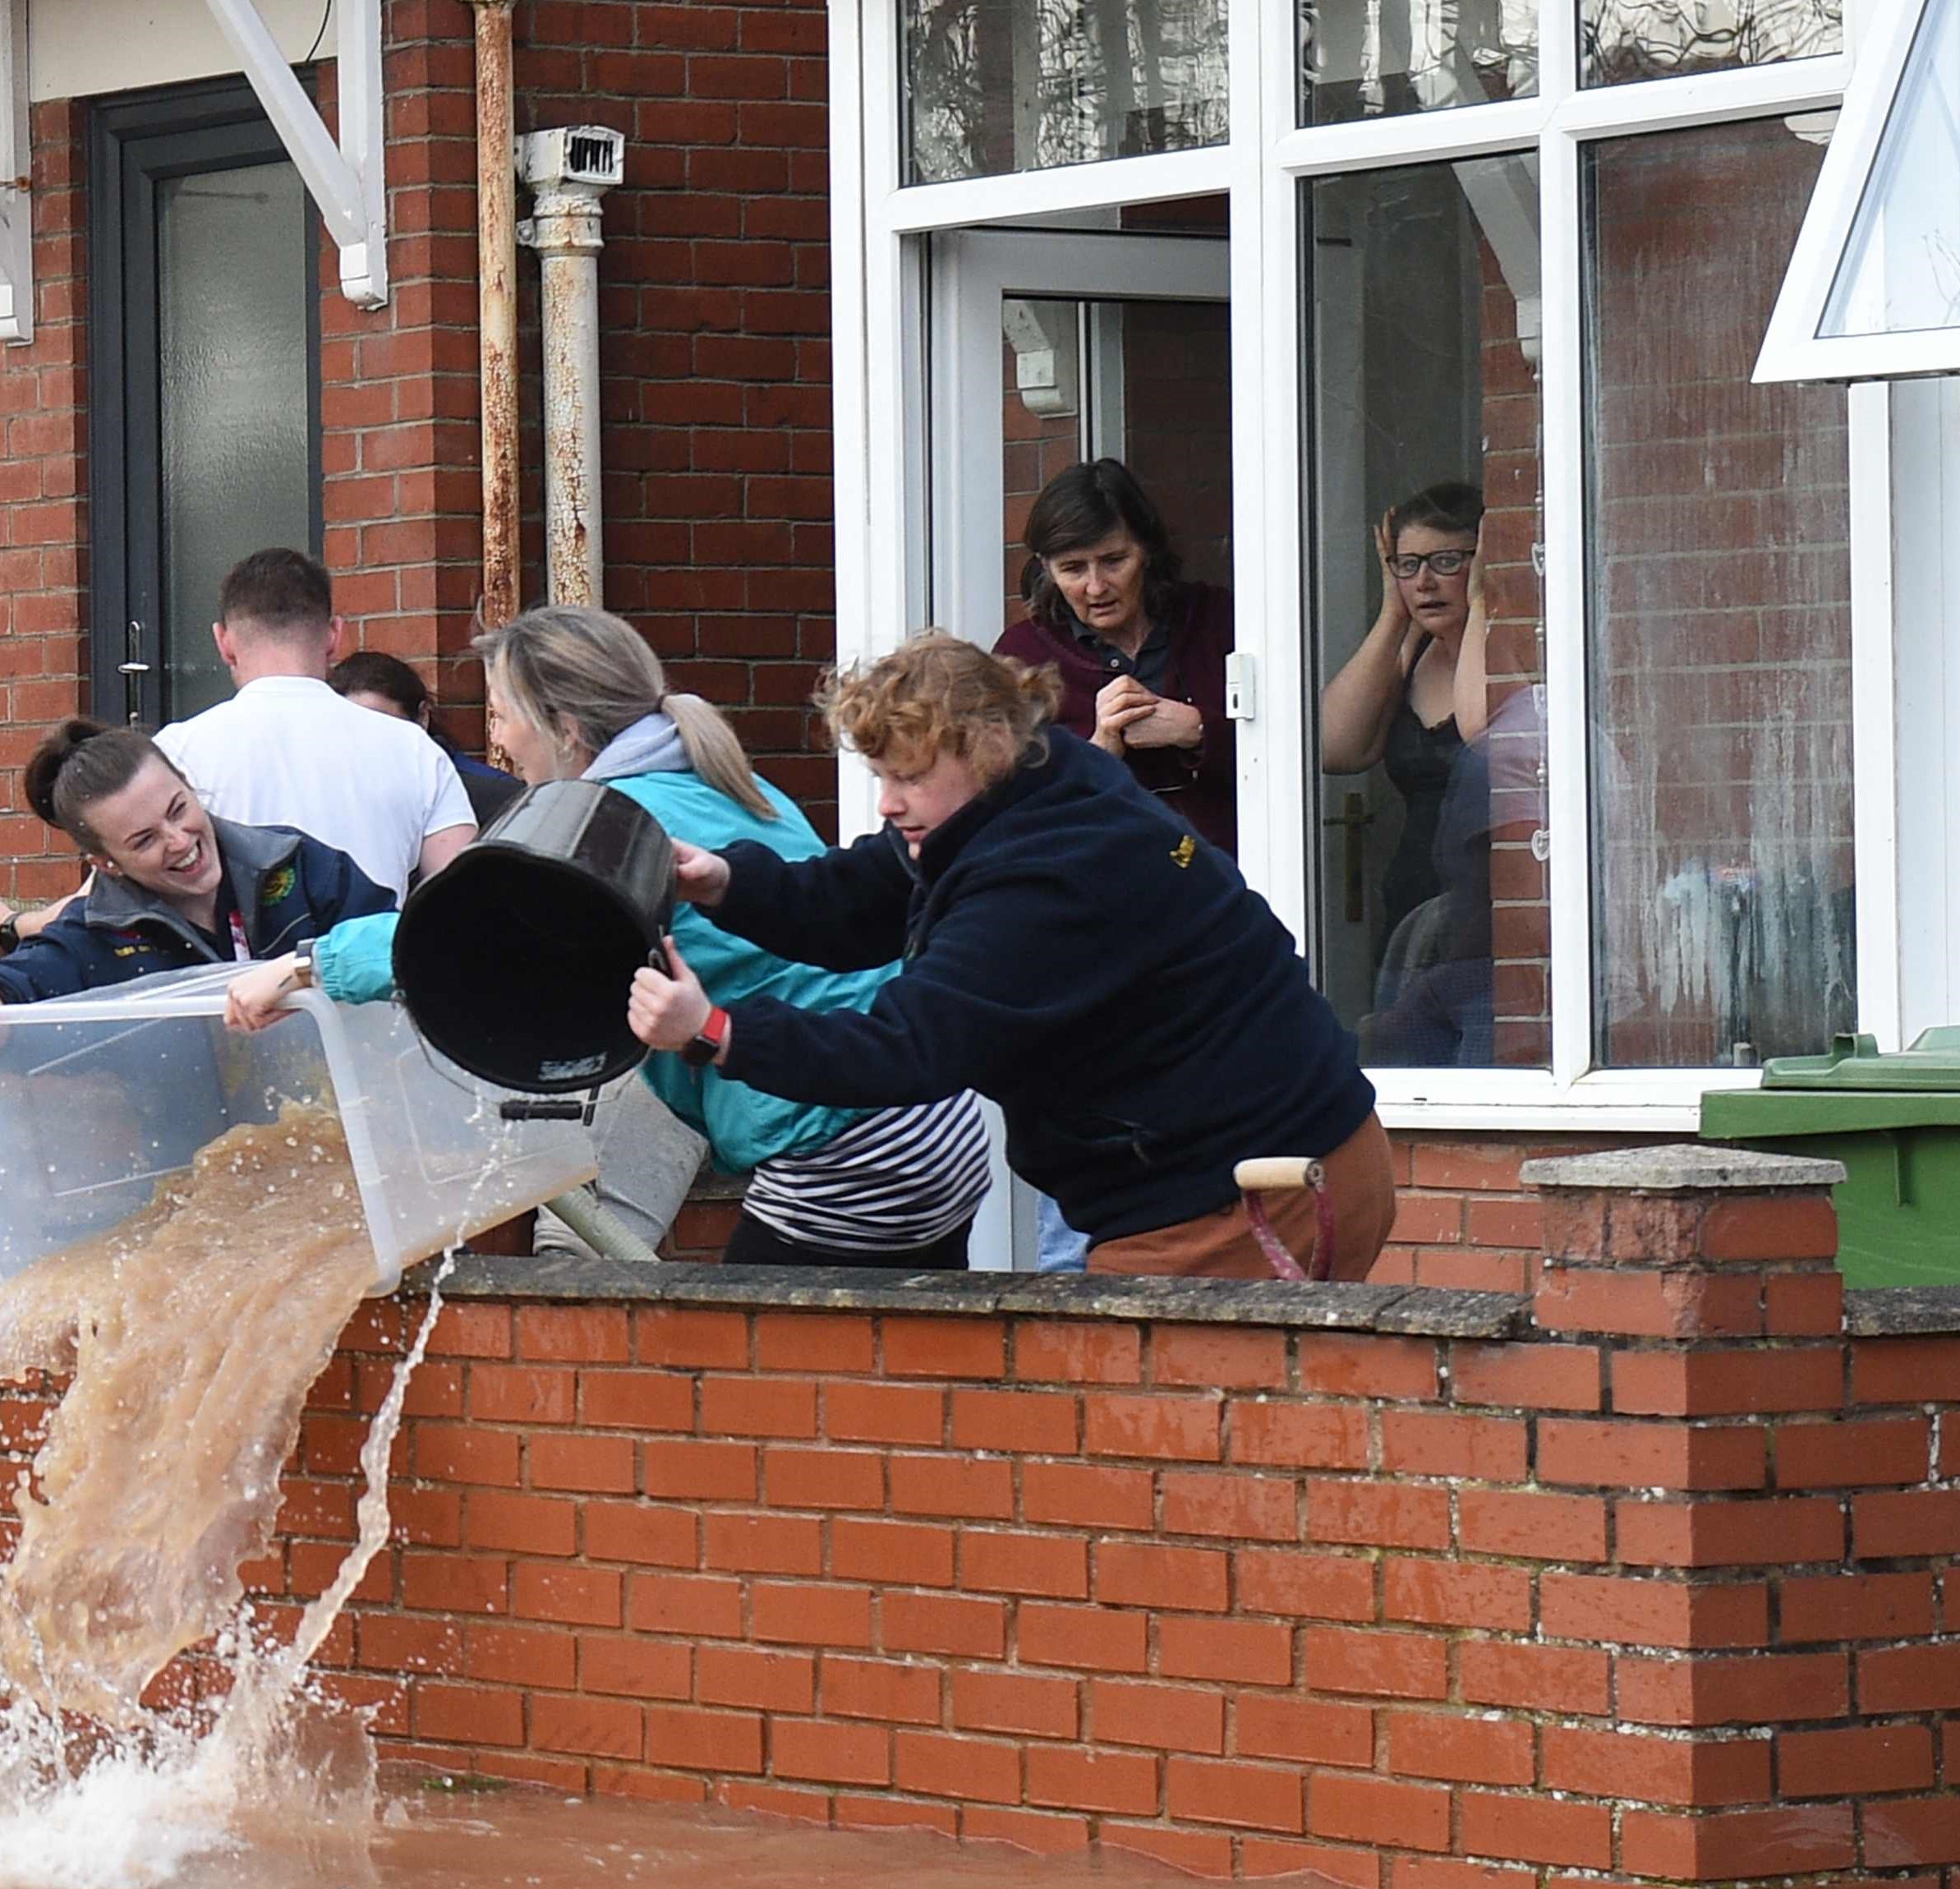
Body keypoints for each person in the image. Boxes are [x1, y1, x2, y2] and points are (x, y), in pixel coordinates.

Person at [236, 607, 993, 1268]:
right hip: (930, 1124)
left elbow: (462, 938)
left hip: (846, 1151)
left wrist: (303, 969)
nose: (497, 744)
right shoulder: (719, 776)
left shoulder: (603, 820)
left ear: (564, 728)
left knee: (751, 1381)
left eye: (502, 716)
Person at [627, 633, 1392, 1283]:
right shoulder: (1034, 784)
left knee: (1138, 1443)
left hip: (1250, 1192)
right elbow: (861, 894)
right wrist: (723, 881)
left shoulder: (1046, 880)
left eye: (910, 776)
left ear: (987, 747)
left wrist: (717, 1030)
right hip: (1271, 1161)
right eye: (882, 776)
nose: (888, 803)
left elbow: (908, 1048)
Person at [0, 720, 389, 1041]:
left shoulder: (298, 865)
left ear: (189, 785)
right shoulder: (93, 934)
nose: (178, 840)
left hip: (344, 1133)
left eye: (179, 809)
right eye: (145, 840)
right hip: (186, 1160)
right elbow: (6, 992)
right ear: (107, 863)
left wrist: (304, 968)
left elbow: (399, 947)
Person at [152, 550, 476, 899]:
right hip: (373, 952)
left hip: (230, 955)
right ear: (334, 635)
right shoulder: (414, 749)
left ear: (223, 643)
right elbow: (461, 899)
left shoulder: (173, 753)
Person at [1318, 482, 1498, 1066]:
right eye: (1407, 564)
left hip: (1486, 917)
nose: (1424, 581)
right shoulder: (1411, 655)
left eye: (1447, 561)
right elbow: (1335, 748)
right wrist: (1392, 613)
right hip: (1412, 913)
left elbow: (1479, 729)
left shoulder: (1512, 646)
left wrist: (1484, 603)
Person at [994, 458, 1235, 854]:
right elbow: (1007, 807)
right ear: (1046, 570)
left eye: (1113, 561)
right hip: (1095, 891)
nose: (1095, 587)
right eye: (1072, 569)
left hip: (1228, 879)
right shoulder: (1023, 656)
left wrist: (1198, 729)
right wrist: (1099, 749)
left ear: (1147, 551)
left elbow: (1290, 750)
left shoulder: (1216, 619)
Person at [329, 646, 523, 832]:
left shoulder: (497, 796)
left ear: (422, 717)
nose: (366, 739)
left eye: (381, 724)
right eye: (350, 725)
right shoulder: (331, 792)